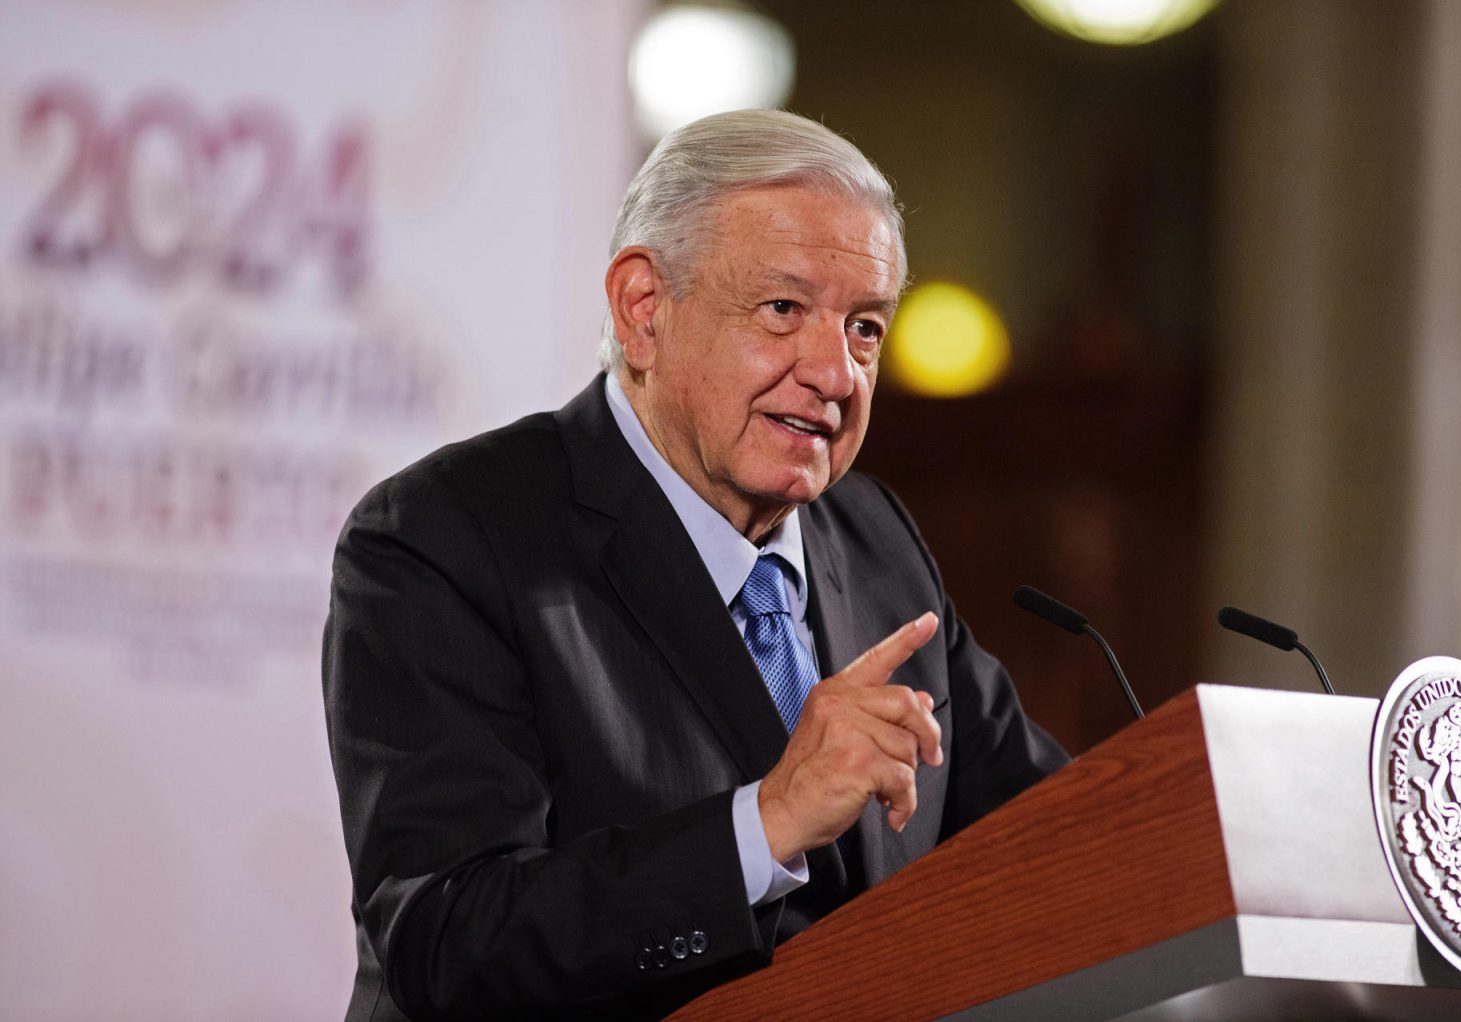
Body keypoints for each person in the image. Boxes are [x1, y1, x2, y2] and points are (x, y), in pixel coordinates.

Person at [323, 109, 1068, 1022]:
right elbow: (448, 942)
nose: (836, 375)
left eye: (866, 329)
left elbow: (1052, 839)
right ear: (644, 309)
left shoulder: (873, 539)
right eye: (784, 310)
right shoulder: (445, 539)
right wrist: (766, 824)